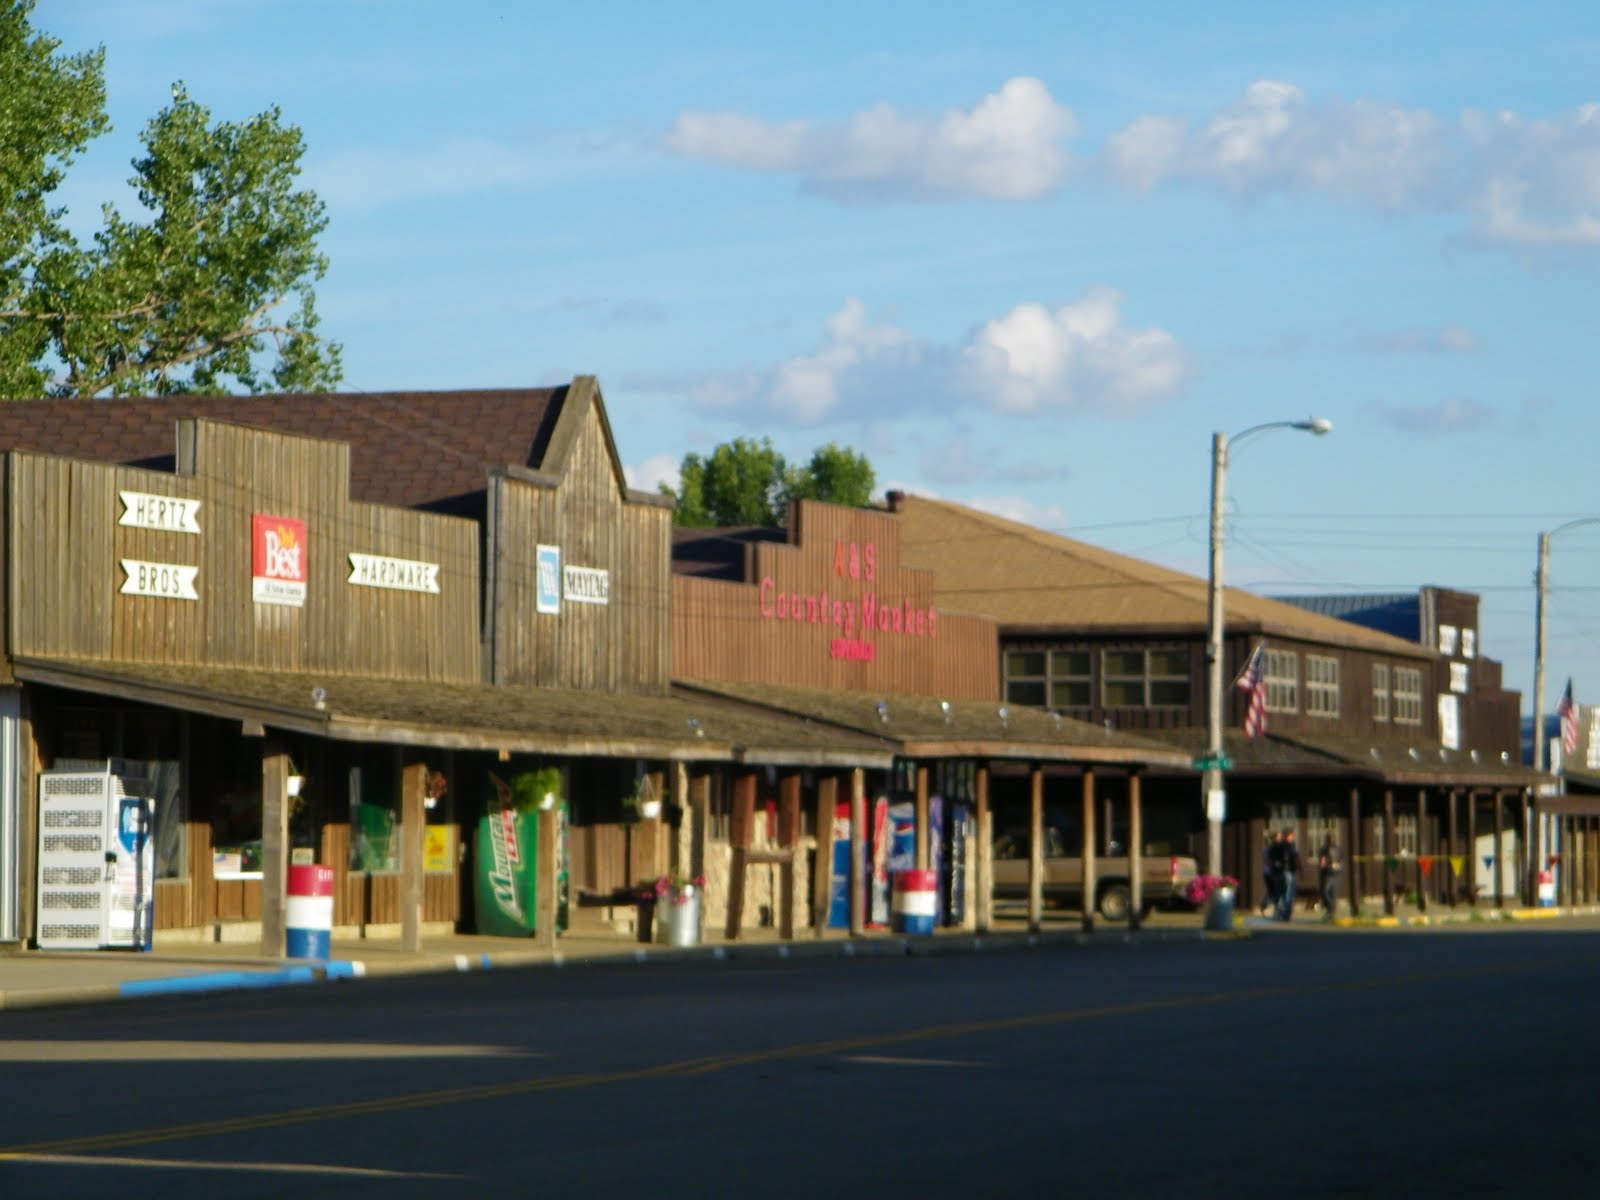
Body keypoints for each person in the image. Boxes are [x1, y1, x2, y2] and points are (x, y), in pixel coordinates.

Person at [1275, 830, 1302, 921]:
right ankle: (1286, 915)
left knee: (1282, 893)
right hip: (1289, 872)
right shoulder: (1290, 846)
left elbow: (1274, 860)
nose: (1293, 837)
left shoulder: (1279, 846)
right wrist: (1300, 870)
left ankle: (1280, 914)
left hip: (1280, 873)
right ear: (1288, 836)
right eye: (1292, 836)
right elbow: (1295, 857)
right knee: (1289, 894)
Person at [1317, 833, 1342, 921]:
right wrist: (1324, 865)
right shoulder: (1324, 849)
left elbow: (1341, 859)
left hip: (1336, 873)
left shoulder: (1338, 848)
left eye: (1332, 838)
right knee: (1325, 891)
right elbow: (1322, 861)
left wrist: (1338, 864)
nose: (1331, 840)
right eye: (1329, 839)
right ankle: (1329, 909)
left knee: (1333, 892)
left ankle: (1331, 913)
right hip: (1327, 873)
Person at [1260, 830, 1282, 916]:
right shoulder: (1274, 848)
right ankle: (1269, 907)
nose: (1280, 839)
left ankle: (1266, 905)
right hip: (1272, 873)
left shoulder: (1266, 848)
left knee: (1271, 891)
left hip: (1267, 872)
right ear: (1274, 838)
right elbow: (1275, 862)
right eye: (1279, 837)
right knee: (1276, 891)